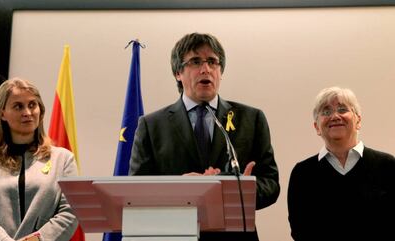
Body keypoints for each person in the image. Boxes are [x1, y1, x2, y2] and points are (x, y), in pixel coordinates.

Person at [129, 32, 280, 241]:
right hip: (174, 236)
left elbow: (271, 184)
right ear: (177, 73)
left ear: (221, 70)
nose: (206, 69)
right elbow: (137, 192)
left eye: (212, 61)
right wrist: (181, 188)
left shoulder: (251, 119)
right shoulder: (152, 125)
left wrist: (237, 188)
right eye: (195, 61)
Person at [287, 86, 395, 241]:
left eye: (343, 109)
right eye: (326, 112)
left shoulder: (388, 165)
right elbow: (300, 231)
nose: (335, 116)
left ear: (358, 120)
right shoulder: (302, 173)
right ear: (317, 127)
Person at [0, 78, 78, 241]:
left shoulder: (63, 159)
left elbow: (71, 212)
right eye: (18, 106)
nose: (27, 112)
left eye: (32, 105)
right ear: (2, 113)